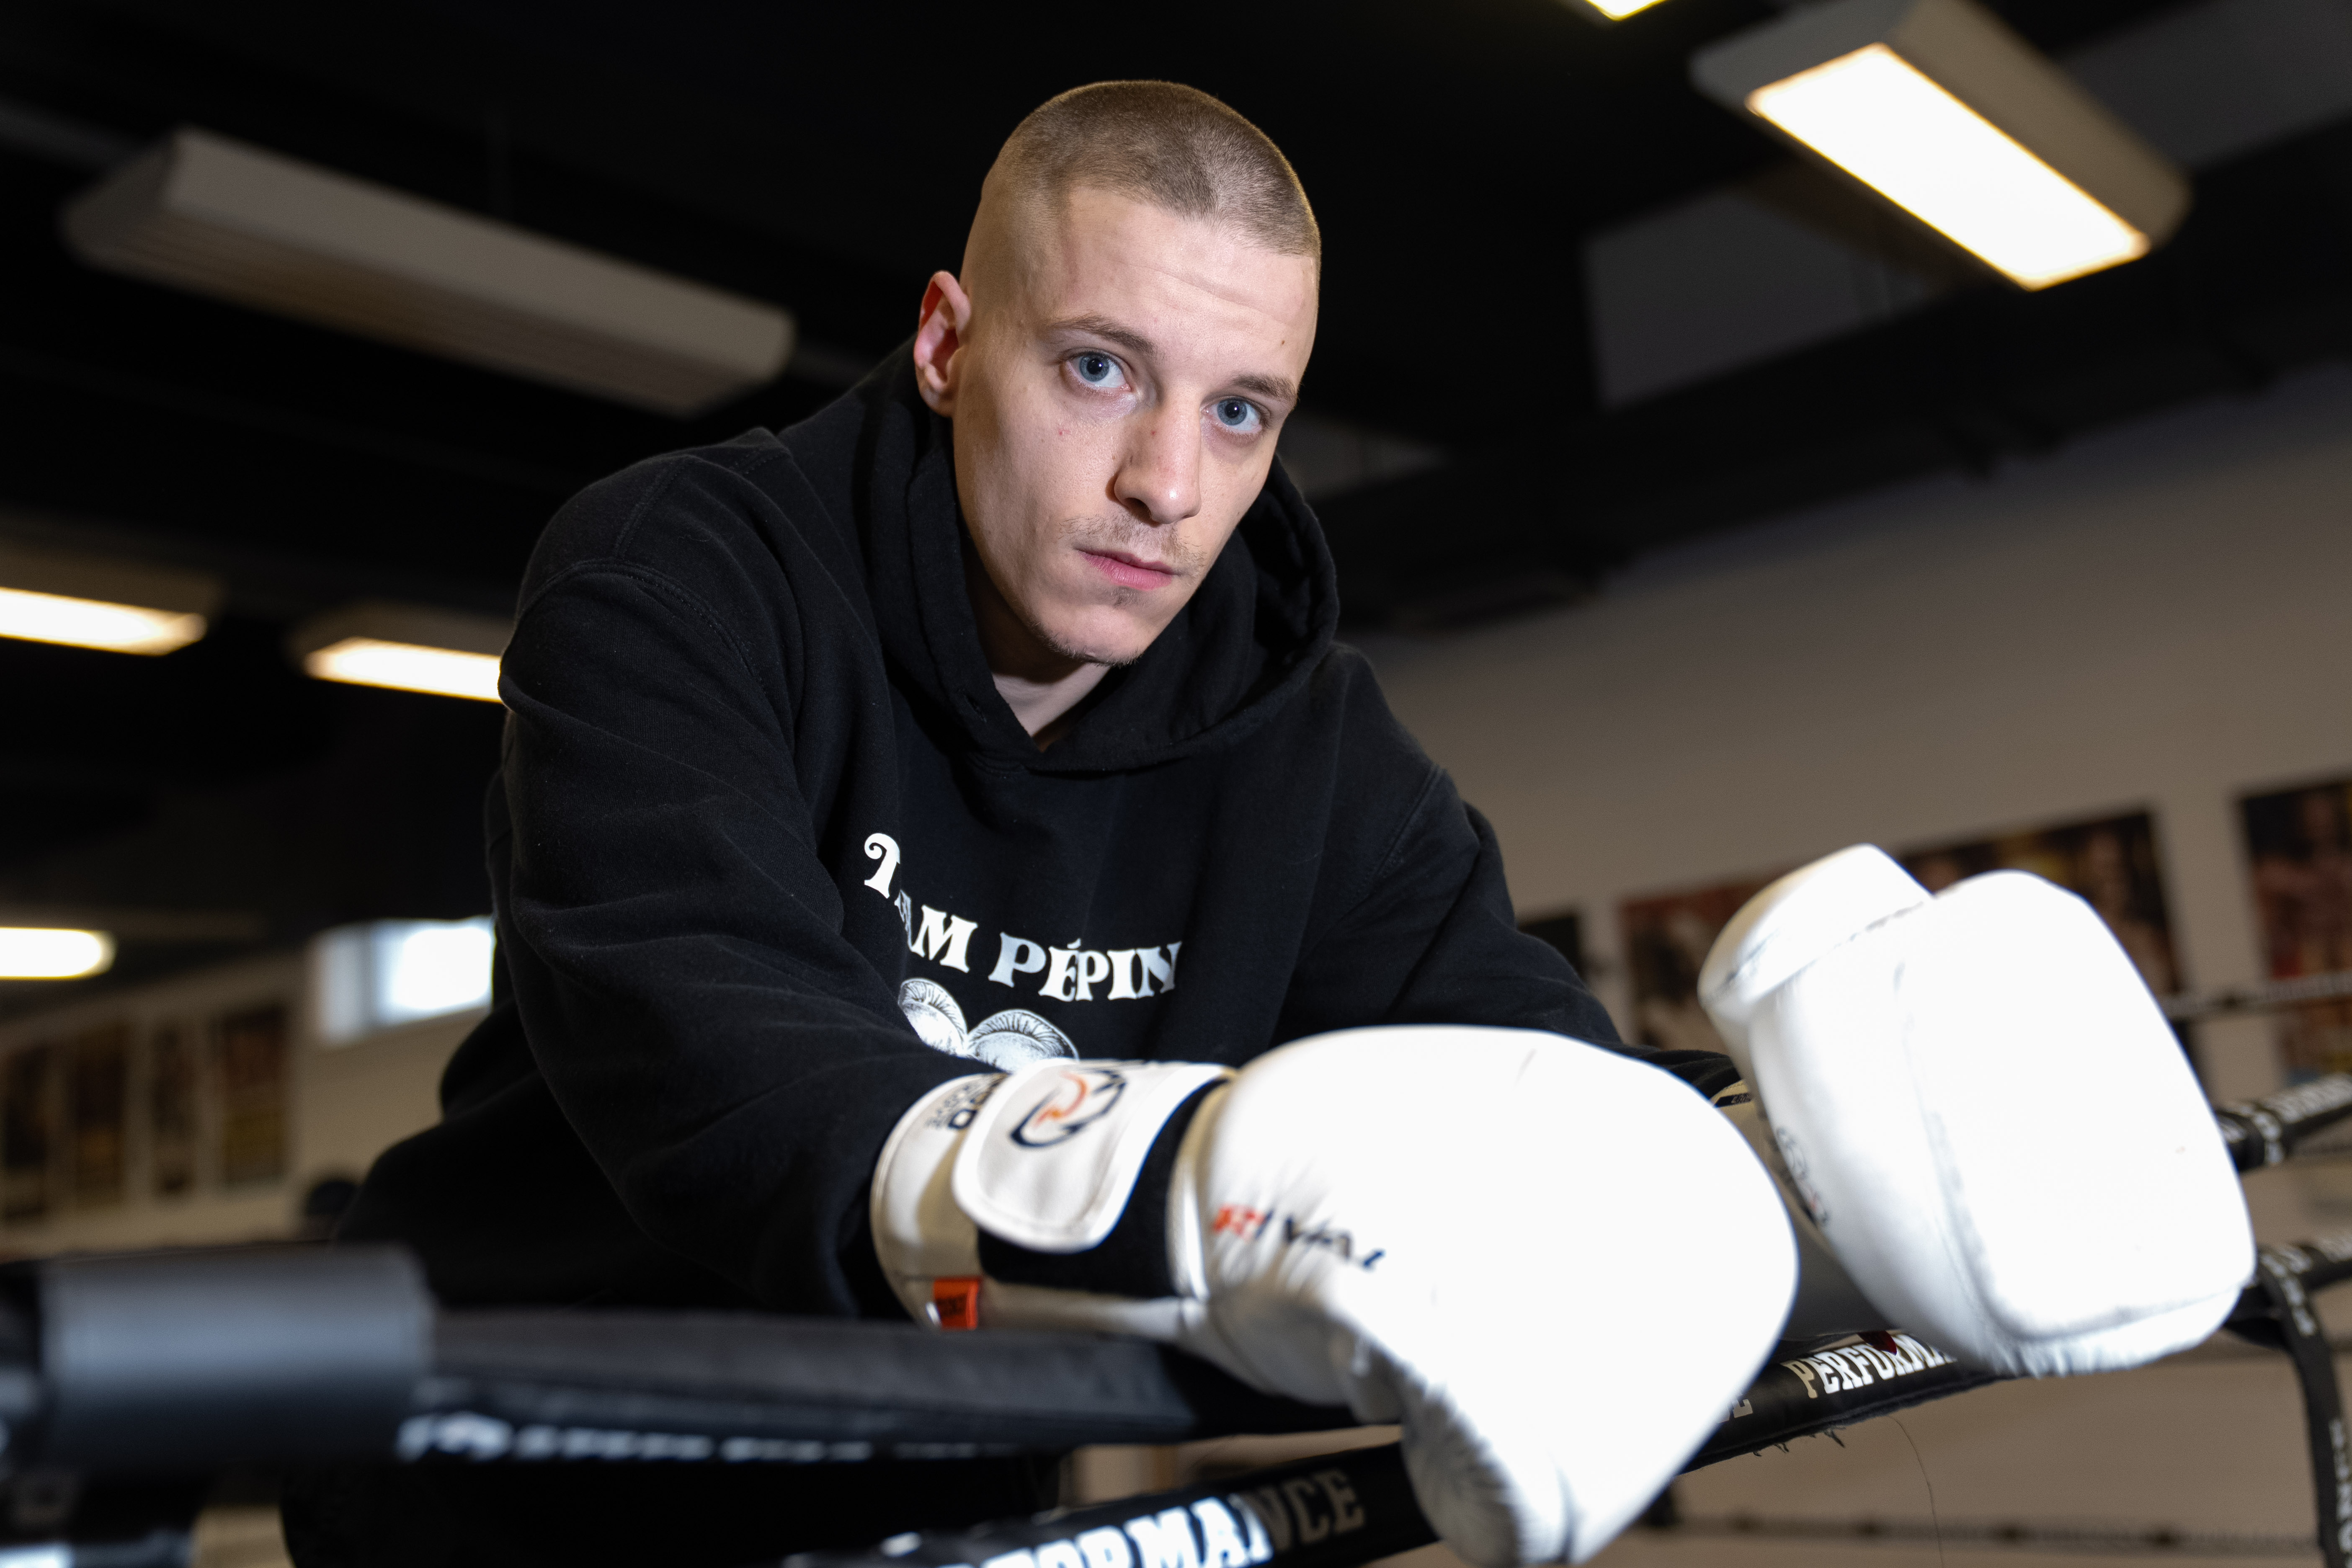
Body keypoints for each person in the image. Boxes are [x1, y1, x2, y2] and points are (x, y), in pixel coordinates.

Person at [286, 81, 2252, 1568]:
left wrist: (1806, 1184)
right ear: (950, 343)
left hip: (933, 1505)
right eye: (1100, 371)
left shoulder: (1303, 736)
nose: (1169, 482)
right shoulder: (687, 575)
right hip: (507, 1473)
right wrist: (1148, 1180)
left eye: (1242, 410)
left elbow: (1523, 1071)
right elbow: (711, 1057)